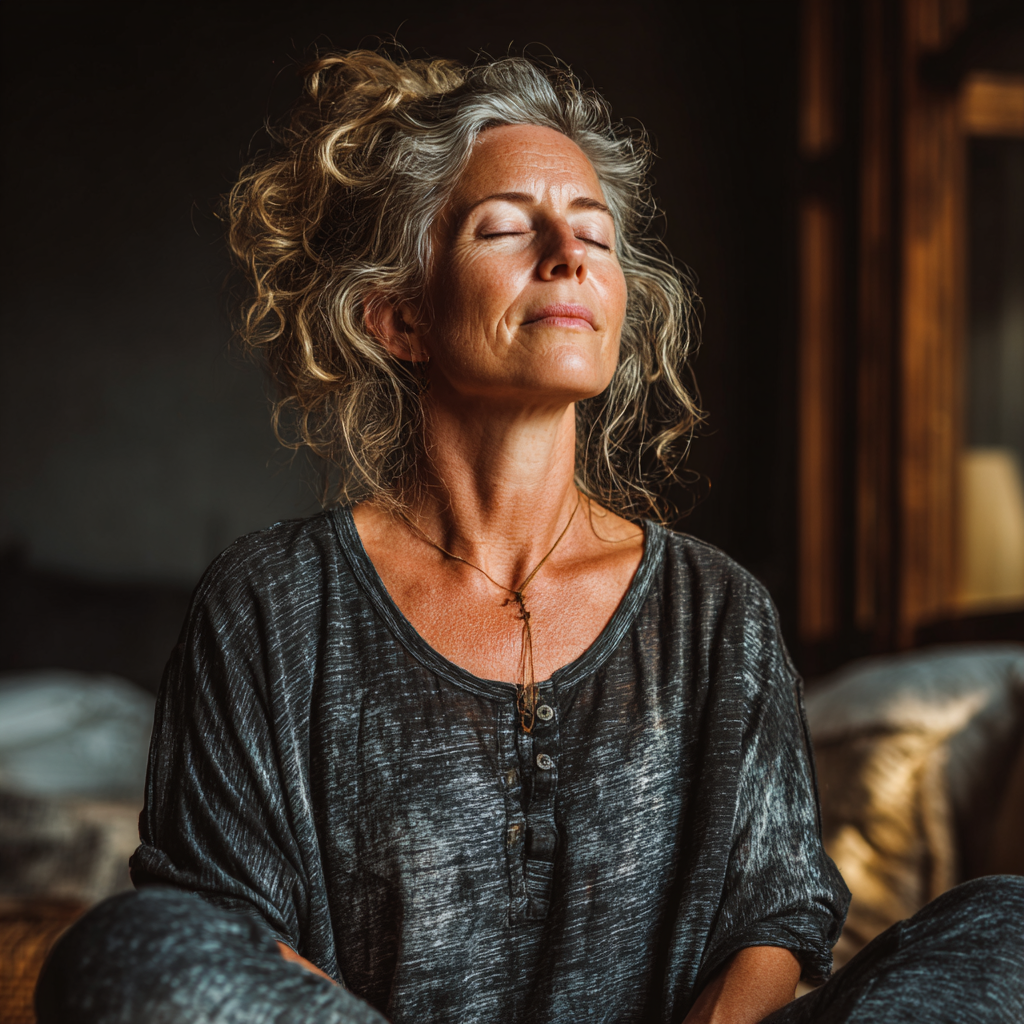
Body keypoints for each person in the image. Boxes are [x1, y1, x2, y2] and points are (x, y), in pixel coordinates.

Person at [36, 50, 1022, 1024]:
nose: (568, 254)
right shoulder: (270, 602)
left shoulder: (717, 610)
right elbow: (229, 928)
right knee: (132, 946)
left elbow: (772, 919)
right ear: (399, 317)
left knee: (1005, 925)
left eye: (593, 234)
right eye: (506, 228)